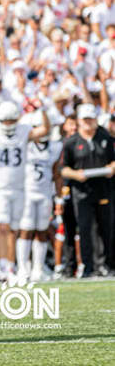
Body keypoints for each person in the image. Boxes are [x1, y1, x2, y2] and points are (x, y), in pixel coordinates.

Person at [0, 101, 50, 282]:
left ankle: (10, 267)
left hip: (19, 187)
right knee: (1, 226)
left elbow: (45, 130)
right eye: (5, 121)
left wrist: (42, 110)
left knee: (13, 229)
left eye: (11, 120)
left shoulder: (23, 130)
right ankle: (3, 264)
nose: (8, 124)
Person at [61, 103, 115, 277]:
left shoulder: (105, 138)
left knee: (105, 227)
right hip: (81, 190)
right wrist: (77, 175)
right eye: (85, 119)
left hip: (103, 189)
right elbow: (64, 169)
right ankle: (88, 265)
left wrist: (111, 168)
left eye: (91, 119)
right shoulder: (71, 142)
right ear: (79, 121)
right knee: (84, 228)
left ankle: (106, 264)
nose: (88, 123)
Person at [19, 112, 63, 283]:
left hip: (44, 193)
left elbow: (56, 174)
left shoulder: (55, 147)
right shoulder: (25, 145)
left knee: (42, 230)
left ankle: (38, 268)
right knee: (26, 229)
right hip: (27, 193)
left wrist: (58, 198)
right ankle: (23, 268)